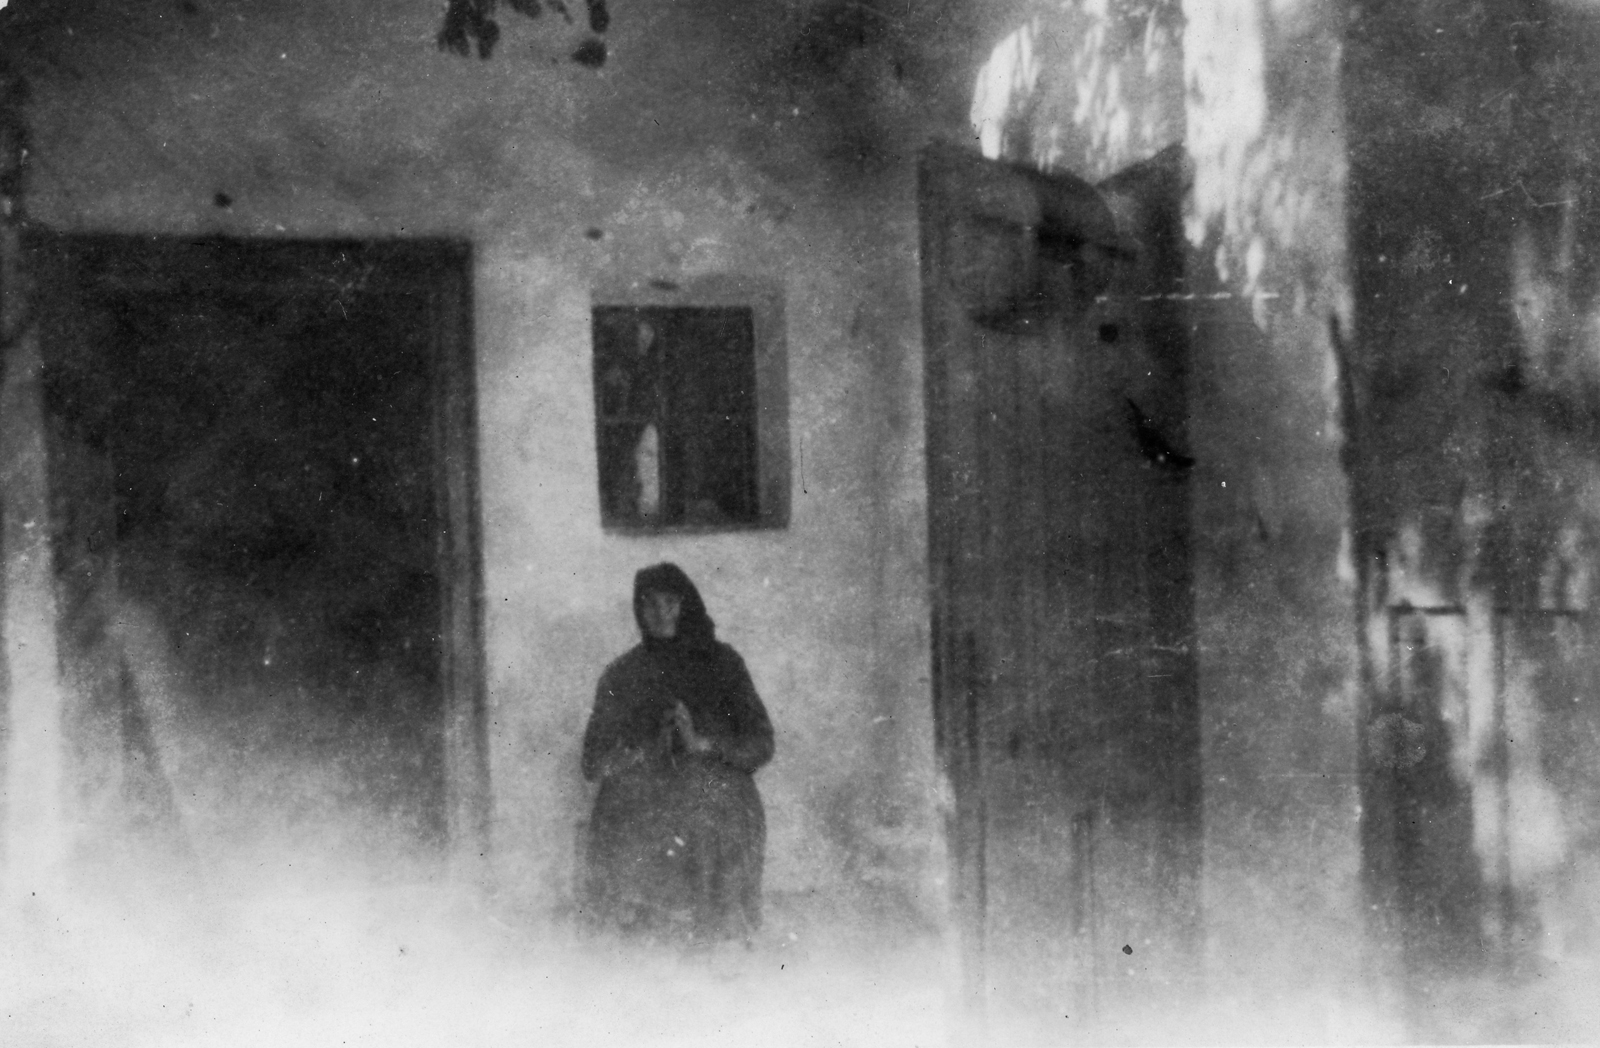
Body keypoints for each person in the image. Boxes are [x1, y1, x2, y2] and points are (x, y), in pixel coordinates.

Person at [580, 563, 775, 945]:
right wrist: (638, 750)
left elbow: (762, 743)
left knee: (708, 816)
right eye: (649, 604)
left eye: (670, 602)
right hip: (645, 794)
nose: (660, 613)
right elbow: (592, 763)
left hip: (712, 788)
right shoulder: (621, 673)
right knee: (632, 821)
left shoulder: (724, 664)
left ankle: (713, 933)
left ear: (687, 605)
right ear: (638, 609)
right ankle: (641, 932)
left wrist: (703, 743)